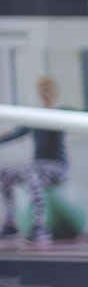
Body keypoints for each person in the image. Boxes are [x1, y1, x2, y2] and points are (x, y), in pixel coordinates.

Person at [0, 76, 68, 245]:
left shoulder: (63, 113)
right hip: (37, 167)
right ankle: (10, 223)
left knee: (32, 173)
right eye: (42, 88)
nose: (45, 91)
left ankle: (40, 225)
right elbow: (15, 134)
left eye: (48, 87)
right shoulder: (35, 117)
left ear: (55, 91)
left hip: (58, 169)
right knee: (4, 174)